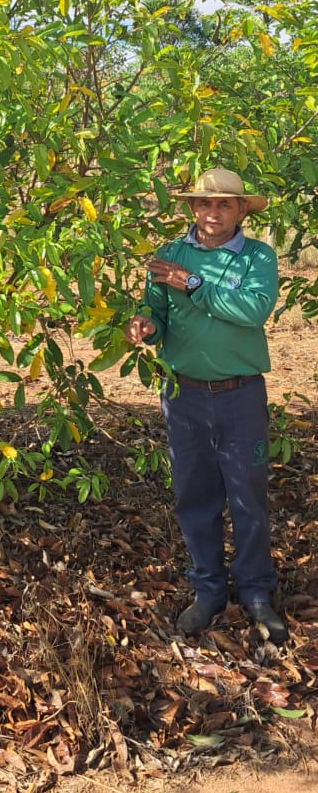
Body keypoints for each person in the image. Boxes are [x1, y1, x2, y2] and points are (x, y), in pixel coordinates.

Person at [125, 167, 287, 644]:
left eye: (223, 205)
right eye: (204, 204)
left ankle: (257, 592)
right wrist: (145, 323)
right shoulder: (169, 255)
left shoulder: (257, 257)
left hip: (240, 395)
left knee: (248, 495)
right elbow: (153, 307)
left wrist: (192, 283)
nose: (212, 213)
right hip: (184, 395)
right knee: (194, 495)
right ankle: (209, 590)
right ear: (192, 208)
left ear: (241, 211)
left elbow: (253, 309)